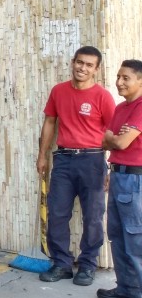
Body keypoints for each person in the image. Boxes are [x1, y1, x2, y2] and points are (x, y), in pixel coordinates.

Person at [36, 45, 115, 285]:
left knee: (92, 216)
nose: (83, 68)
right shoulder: (59, 91)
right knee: (57, 213)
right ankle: (62, 264)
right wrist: (43, 155)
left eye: (89, 65)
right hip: (63, 159)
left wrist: (109, 165)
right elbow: (50, 122)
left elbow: (112, 133)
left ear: (96, 70)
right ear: (73, 62)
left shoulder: (102, 96)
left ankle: (88, 265)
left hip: (93, 159)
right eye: (80, 62)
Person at [99, 59, 142, 298]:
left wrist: (115, 138)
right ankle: (129, 289)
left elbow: (120, 140)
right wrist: (114, 139)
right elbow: (106, 140)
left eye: (125, 78)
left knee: (137, 242)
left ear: (140, 80)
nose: (119, 82)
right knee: (117, 235)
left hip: (136, 181)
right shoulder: (119, 108)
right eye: (118, 77)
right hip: (117, 174)